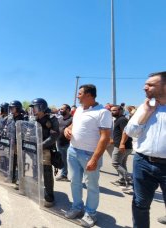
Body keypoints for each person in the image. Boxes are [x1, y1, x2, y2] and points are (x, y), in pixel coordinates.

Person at [64, 84, 112, 227]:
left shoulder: (103, 112)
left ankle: (91, 213)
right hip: (72, 151)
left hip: (89, 154)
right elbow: (74, 125)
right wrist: (67, 129)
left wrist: (95, 159)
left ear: (89, 95)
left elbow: (104, 138)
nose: (77, 96)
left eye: (80, 93)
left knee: (91, 185)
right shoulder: (79, 110)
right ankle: (77, 208)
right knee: (74, 182)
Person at [125, 71, 166, 228]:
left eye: (150, 85)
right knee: (140, 204)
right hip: (143, 162)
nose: (144, 87)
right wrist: (147, 113)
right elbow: (130, 131)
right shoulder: (146, 107)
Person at [30, 98, 59, 208]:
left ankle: (49, 195)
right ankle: (35, 189)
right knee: (34, 169)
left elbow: (54, 136)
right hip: (34, 148)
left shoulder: (52, 119)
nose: (33, 109)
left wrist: (41, 145)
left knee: (46, 172)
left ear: (41, 107)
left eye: (35, 107)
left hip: (46, 149)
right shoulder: (33, 119)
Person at [110, 105, 133, 187]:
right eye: (111, 110)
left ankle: (129, 177)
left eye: (114, 110)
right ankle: (122, 180)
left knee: (115, 163)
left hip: (123, 146)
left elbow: (125, 132)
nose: (112, 112)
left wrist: (122, 144)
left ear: (120, 110)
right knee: (122, 164)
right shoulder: (118, 120)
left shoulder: (122, 120)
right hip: (124, 146)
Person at [55, 104, 72, 182]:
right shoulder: (60, 119)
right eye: (60, 109)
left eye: (62, 109)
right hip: (59, 142)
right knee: (63, 160)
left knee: (70, 161)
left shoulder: (72, 119)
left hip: (68, 143)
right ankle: (64, 175)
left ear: (68, 110)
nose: (60, 110)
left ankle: (73, 176)